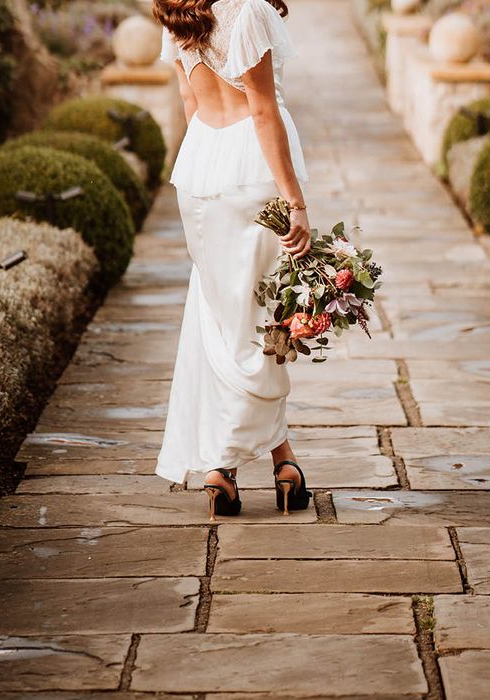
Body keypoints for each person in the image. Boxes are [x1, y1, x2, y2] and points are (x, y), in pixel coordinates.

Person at [153, 0, 312, 520]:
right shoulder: (248, 13)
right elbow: (263, 111)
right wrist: (296, 202)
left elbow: (188, 100)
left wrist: (206, 167)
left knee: (223, 317)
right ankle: (249, 465)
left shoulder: (176, 12)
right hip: (251, 170)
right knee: (265, 319)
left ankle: (254, 464)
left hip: (200, 175)